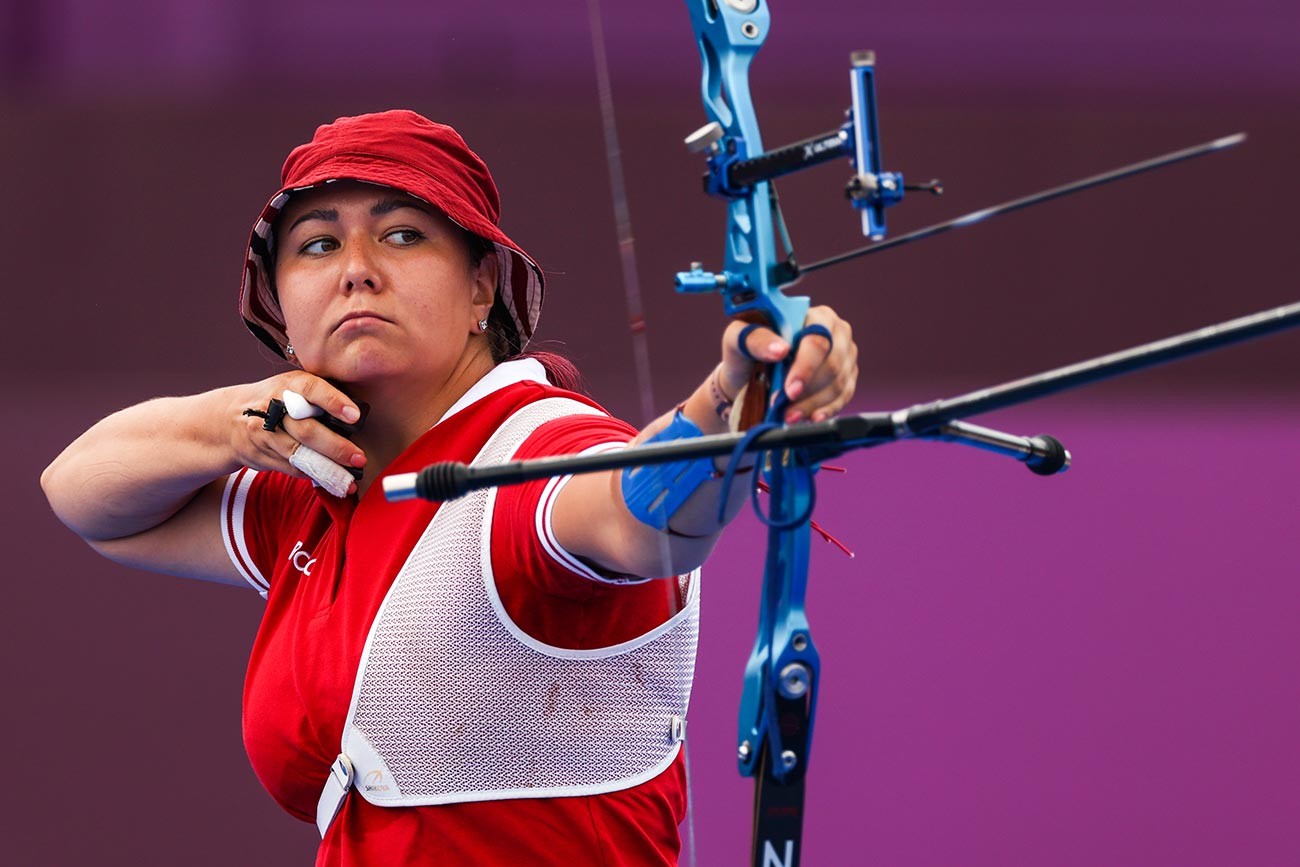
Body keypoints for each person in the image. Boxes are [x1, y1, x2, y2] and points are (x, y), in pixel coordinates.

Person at [41, 109, 857, 866]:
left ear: (480, 289)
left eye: (401, 235)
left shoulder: (535, 448)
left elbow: (638, 518)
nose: (356, 271)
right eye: (317, 245)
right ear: (282, 306)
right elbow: (84, 497)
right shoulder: (316, 481)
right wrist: (233, 426)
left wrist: (732, 404)